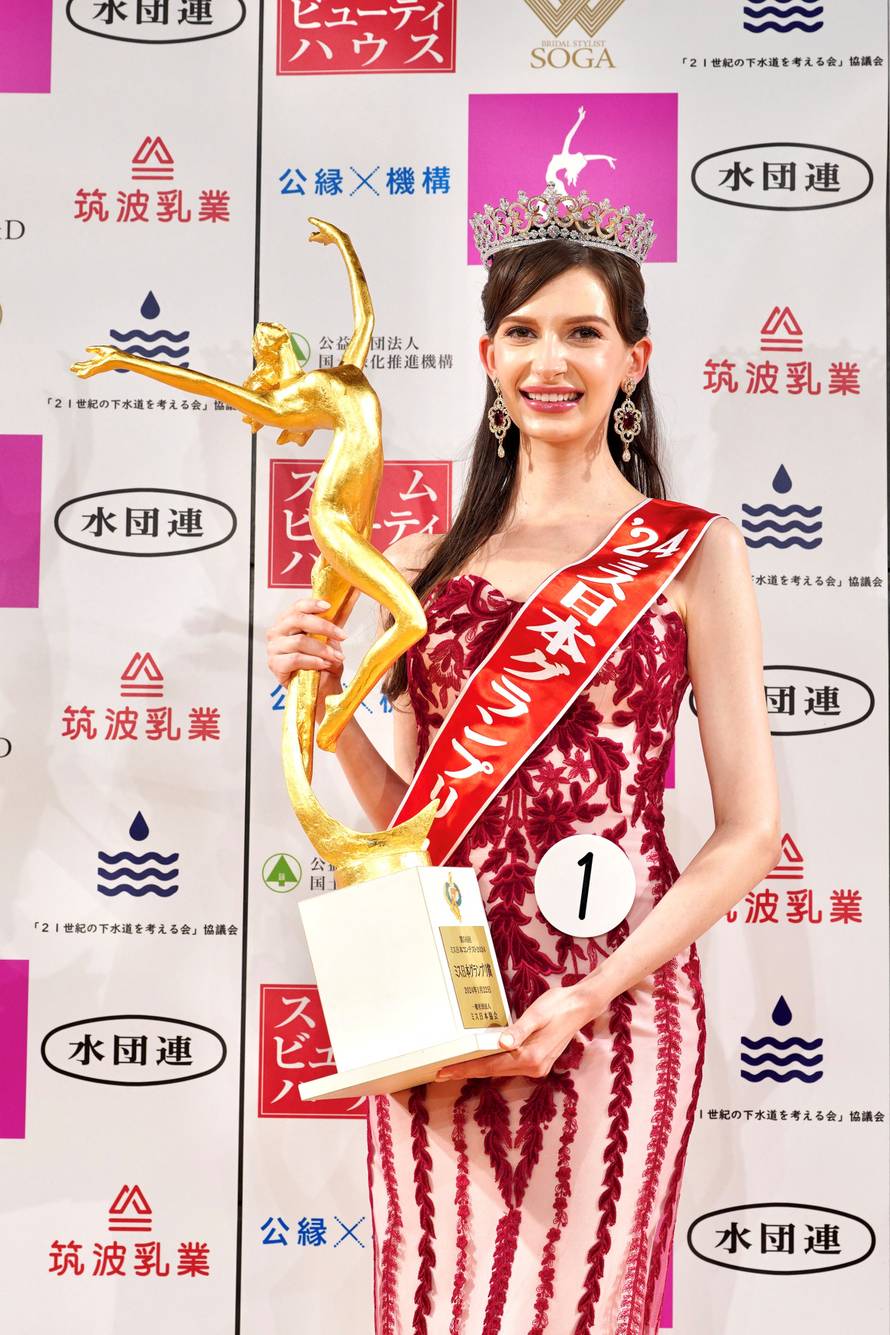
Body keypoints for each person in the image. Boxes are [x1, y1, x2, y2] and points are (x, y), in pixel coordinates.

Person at [266, 188, 780, 1334]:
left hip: (617, 1004)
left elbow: (749, 829)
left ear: (632, 359)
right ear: (486, 355)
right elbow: (413, 821)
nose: (551, 360)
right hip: (441, 996)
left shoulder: (689, 554)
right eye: (525, 333)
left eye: (583, 332)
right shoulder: (420, 562)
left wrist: (592, 993)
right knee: (433, 1302)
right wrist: (326, 707)